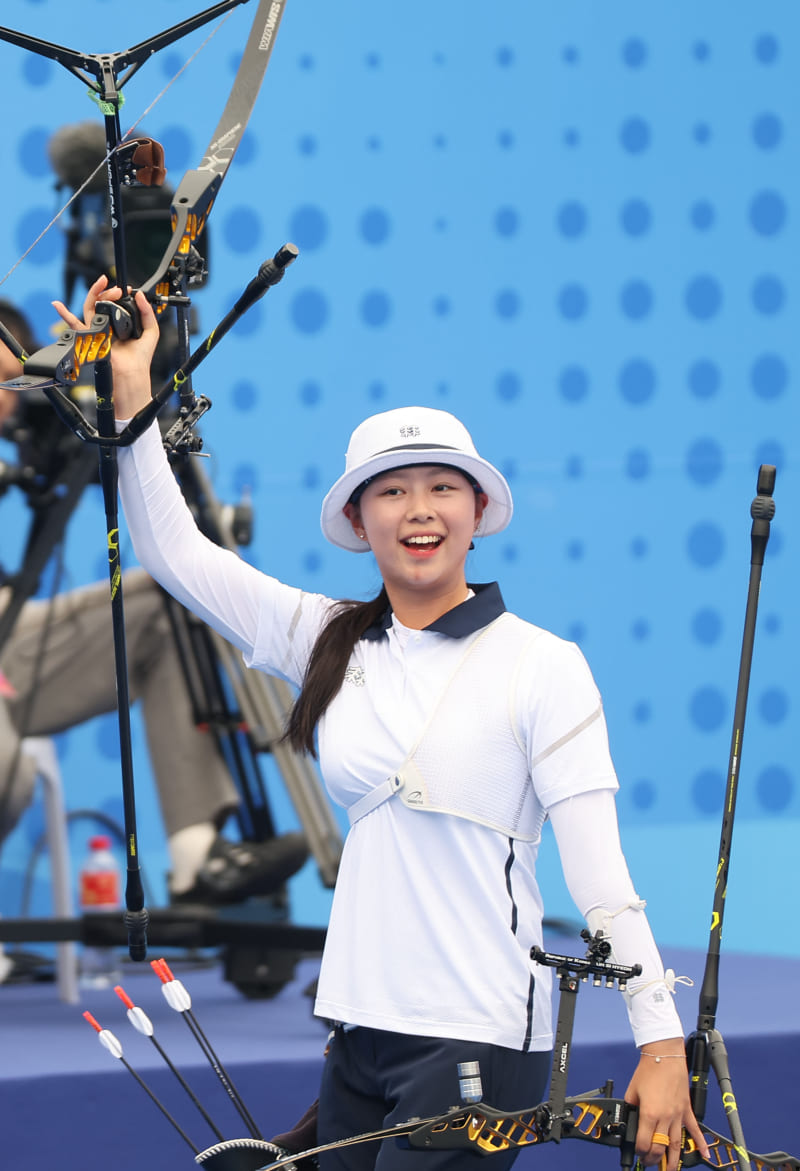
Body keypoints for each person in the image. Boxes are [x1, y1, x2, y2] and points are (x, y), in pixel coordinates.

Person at [57, 277, 709, 1171]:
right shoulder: (330, 639)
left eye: (444, 487)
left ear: (478, 513)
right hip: (357, 1033)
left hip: (475, 1037)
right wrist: (132, 386)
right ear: (359, 521)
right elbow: (176, 554)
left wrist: (662, 1046)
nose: (420, 510)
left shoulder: (545, 665)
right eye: (393, 492)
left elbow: (603, 883)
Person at [0, 299, 308, 910]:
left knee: (167, 598)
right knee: (10, 775)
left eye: (7, 380)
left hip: (15, 640)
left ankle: (196, 857)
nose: (5, 397)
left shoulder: (22, 431)